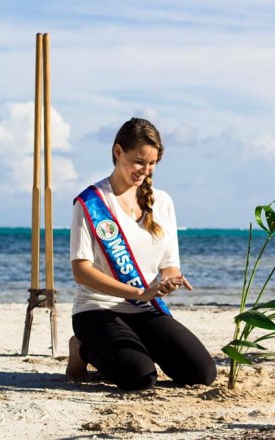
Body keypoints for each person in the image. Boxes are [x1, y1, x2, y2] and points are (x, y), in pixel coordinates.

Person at [65, 117, 217, 391]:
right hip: (96, 310)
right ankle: (82, 350)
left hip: (143, 308)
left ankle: (137, 347)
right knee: (140, 378)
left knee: (201, 373)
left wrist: (169, 282)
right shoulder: (90, 203)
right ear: (118, 152)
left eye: (152, 164)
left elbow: (170, 265)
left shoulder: (163, 202)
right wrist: (137, 293)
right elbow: (81, 271)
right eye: (138, 161)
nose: (145, 170)